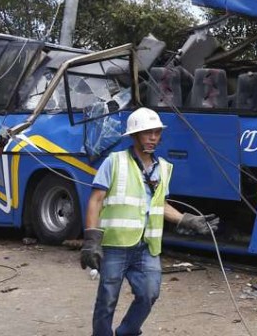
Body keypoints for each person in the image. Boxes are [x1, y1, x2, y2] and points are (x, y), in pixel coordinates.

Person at [80, 107, 219, 336]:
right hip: (116, 245)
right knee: (107, 299)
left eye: (156, 132)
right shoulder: (114, 162)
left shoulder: (163, 168)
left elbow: (158, 204)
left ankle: (127, 331)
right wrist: (91, 240)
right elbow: (96, 200)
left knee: (149, 293)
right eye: (147, 133)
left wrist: (186, 220)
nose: (153, 137)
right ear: (135, 136)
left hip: (147, 247)